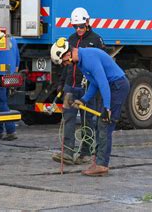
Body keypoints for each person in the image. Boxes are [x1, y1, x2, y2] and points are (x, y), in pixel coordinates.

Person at [50, 39, 130, 176]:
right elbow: (95, 83)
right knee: (100, 125)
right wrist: (83, 99)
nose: (65, 64)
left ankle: (101, 165)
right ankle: (99, 162)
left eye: (63, 62)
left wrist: (107, 108)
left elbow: (103, 83)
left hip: (117, 87)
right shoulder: (81, 62)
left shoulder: (89, 59)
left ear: (67, 54)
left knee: (105, 124)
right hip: (111, 87)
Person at [52, 7, 105, 165]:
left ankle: (85, 153)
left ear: (88, 22)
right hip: (70, 86)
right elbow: (66, 64)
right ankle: (67, 152)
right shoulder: (70, 40)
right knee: (68, 118)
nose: (79, 29)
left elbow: (101, 65)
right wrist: (62, 84)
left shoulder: (96, 40)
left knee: (87, 121)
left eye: (81, 26)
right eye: (75, 27)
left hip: (87, 88)